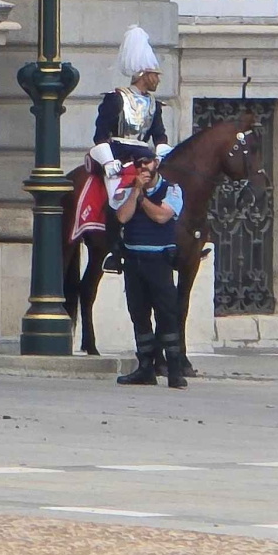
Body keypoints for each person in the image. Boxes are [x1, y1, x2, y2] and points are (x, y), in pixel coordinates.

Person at [89, 24, 174, 274]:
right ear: (142, 74)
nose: (157, 78)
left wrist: (163, 155)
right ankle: (114, 250)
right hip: (118, 155)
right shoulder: (115, 99)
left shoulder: (154, 105)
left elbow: (159, 136)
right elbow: (100, 134)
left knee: (169, 188)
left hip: (144, 156)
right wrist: (107, 162)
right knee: (118, 196)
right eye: (154, 74)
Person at [114, 152, 188, 389]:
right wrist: (135, 191)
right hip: (134, 260)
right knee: (139, 314)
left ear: (156, 163)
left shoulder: (172, 189)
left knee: (167, 314)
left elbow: (161, 216)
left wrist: (143, 198)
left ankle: (174, 369)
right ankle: (145, 367)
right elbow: (123, 216)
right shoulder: (129, 189)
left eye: (147, 162)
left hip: (159, 261)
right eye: (139, 164)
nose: (143, 167)